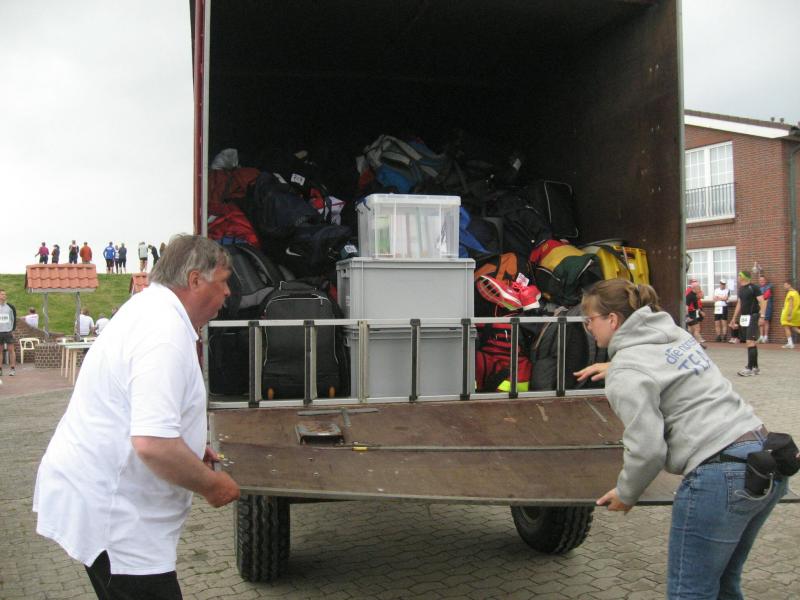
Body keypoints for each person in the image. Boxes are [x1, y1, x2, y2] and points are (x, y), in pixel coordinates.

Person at [33, 235, 239, 600]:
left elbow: (146, 415)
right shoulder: (163, 333)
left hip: (106, 501)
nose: (228, 292)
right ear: (195, 280)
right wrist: (213, 486)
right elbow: (153, 444)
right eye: (223, 281)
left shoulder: (150, 309)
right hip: (117, 520)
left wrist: (189, 446)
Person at [575, 279, 787, 599]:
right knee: (724, 585)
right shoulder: (675, 335)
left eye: (589, 319)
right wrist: (617, 364)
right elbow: (662, 364)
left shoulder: (628, 370)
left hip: (721, 475)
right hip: (764, 457)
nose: (588, 327)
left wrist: (627, 492)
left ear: (613, 320)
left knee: (689, 592)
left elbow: (648, 449)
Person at [729, 271, 766, 377]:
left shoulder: (754, 288)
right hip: (744, 318)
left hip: (753, 316)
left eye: (739, 275)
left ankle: (749, 368)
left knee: (750, 341)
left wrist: (762, 316)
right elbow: (739, 304)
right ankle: (755, 368)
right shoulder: (741, 289)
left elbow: (763, 302)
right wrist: (733, 318)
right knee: (751, 342)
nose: (738, 277)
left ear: (744, 277)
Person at [0, 289, 17, 376]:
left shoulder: (10, 307)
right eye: (2, 294)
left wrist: (13, 330)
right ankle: (0, 370)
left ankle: (12, 369)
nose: (4, 296)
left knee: (11, 350)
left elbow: (14, 319)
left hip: (8, 332)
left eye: (5, 294)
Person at [684, 279, 706, 348]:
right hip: (690, 314)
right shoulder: (690, 295)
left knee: (691, 330)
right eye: (698, 287)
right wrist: (687, 316)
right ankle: (699, 344)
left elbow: (696, 307)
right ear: (694, 288)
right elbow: (686, 306)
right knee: (697, 329)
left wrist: (701, 312)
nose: (700, 289)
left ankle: (689, 343)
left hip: (693, 313)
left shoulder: (694, 295)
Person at [780, 279, 800, 349]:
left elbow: (791, 305)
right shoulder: (796, 293)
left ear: (789, 285)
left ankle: (790, 343)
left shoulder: (790, 293)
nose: (784, 286)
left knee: (786, 326)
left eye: (785, 285)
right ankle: (790, 343)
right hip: (796, 312)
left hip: (788, 313)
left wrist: (789, 315)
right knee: (794, 327)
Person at [757, 274, 773, 343]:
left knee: (766, 321)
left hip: (767, 307)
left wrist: (759, 298)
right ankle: (761, 336)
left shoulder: (768, 287)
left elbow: (765, 296)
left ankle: (766, 337)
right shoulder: (757, 288)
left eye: (763, 280)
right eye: (760, 280)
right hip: (759, 307)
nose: (761, 281)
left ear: (765, 281)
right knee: (760, 321)